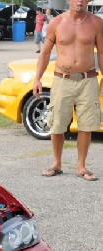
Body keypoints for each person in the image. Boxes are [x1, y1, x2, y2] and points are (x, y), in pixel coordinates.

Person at [33, 0, 102, 181]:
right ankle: (56, 163)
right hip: (62, 80)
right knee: (57, 124)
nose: (79, 1)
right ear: (69, 0)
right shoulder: (56, 23)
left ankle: (81, 167)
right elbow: (46, 52)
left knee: (86, 125)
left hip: (88, 80)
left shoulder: (96, 22)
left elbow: (101, 52)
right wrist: (37, 78)